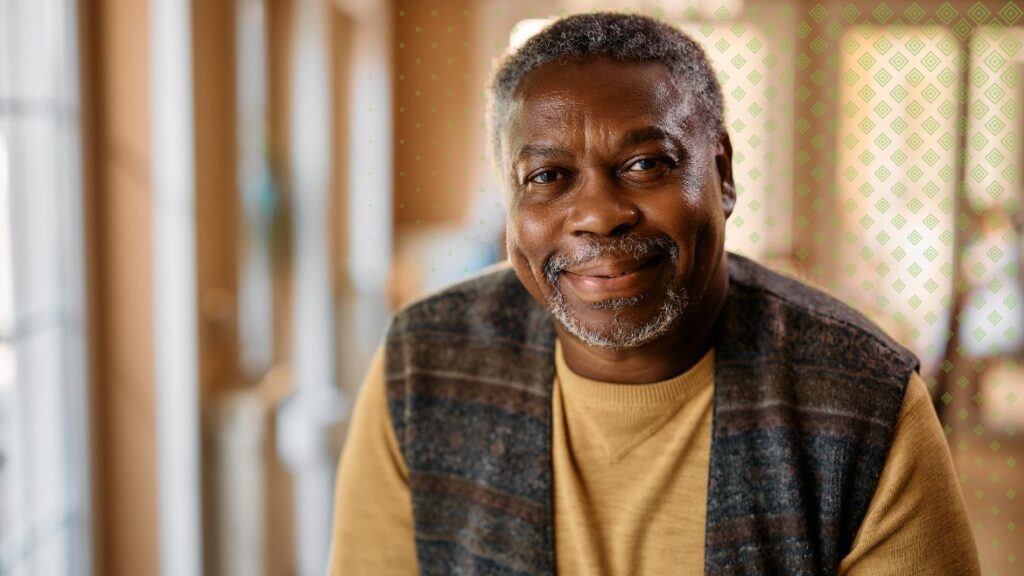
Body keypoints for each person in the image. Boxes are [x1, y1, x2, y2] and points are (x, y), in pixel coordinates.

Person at [328, 12, 980, 575]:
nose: (598, 213)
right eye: (548, 175)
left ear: (721, 174)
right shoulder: (424, 365)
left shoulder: (864, 400)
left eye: (646, 165)